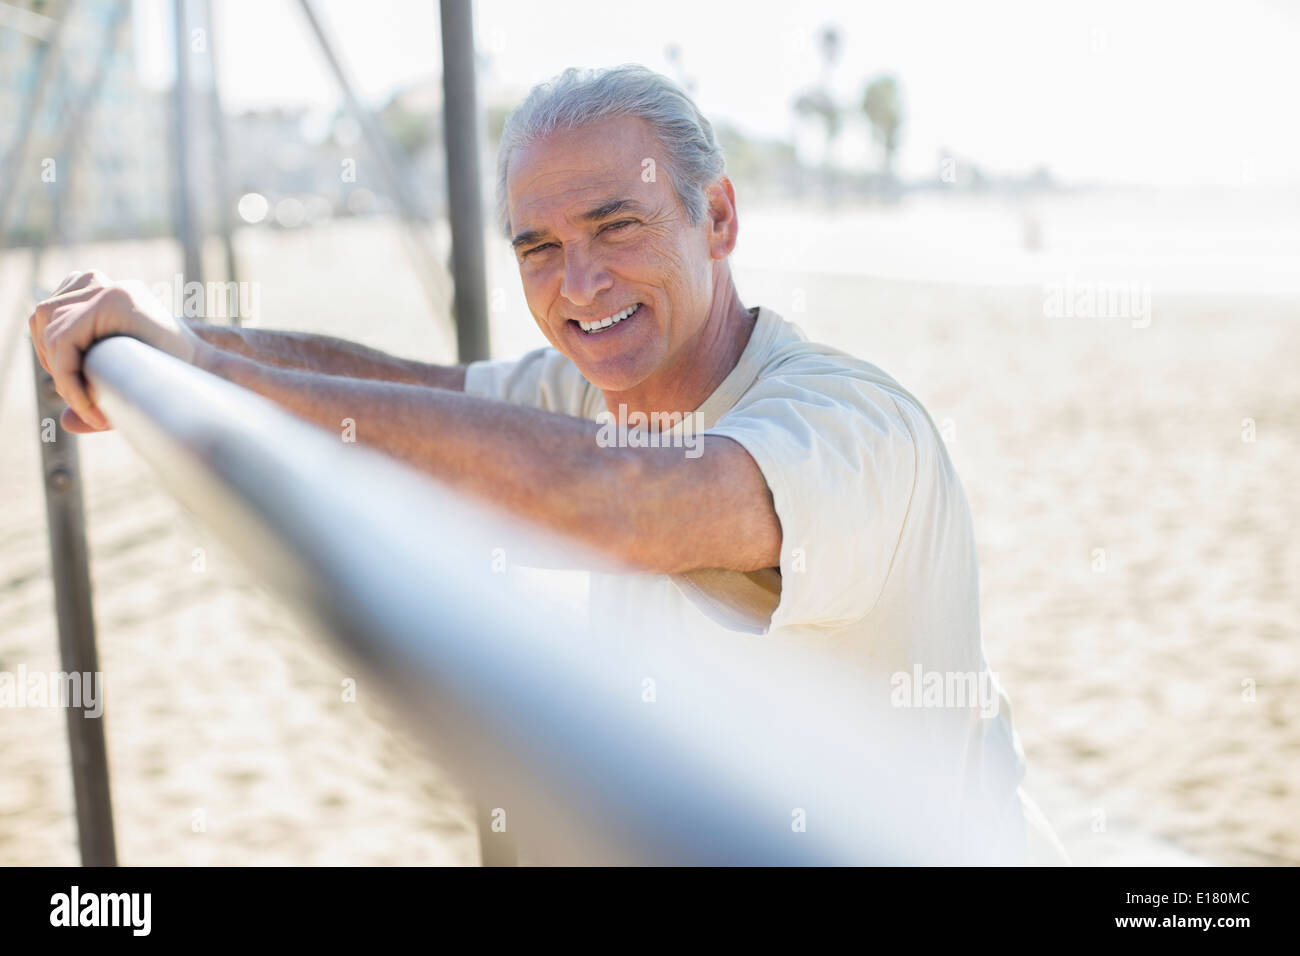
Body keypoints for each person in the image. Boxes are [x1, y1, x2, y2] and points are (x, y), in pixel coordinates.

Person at [29, 64, 1066, 865]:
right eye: (537, 247)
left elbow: (616, 500)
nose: (579, 281)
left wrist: (210, 364)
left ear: (717, 218)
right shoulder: (585, 393)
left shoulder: (851, 424)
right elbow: (414, 395)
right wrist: (184, 348)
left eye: (616, 225)